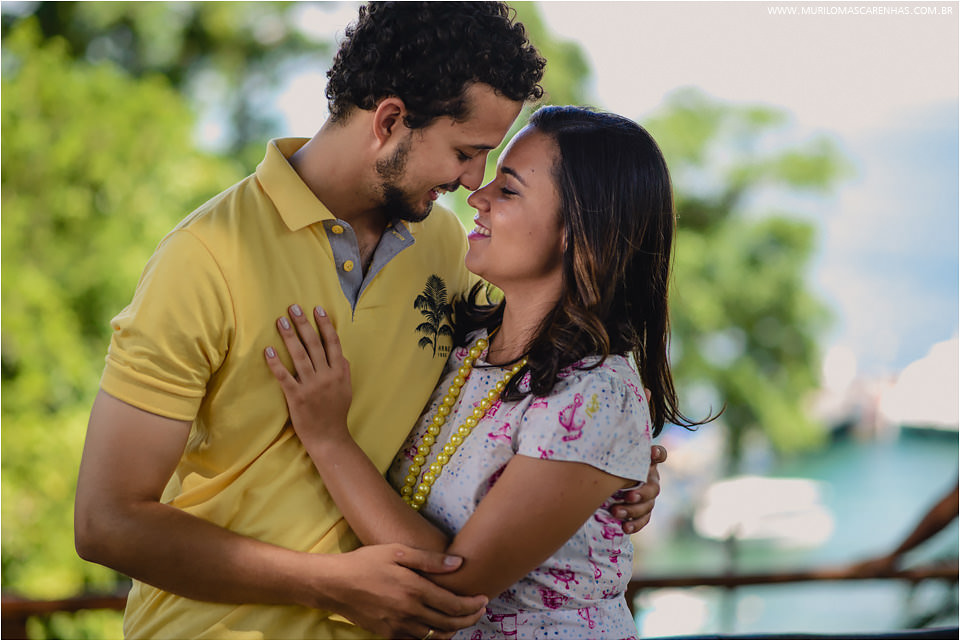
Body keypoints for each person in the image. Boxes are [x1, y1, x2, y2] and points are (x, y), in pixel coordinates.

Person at [73, 3, 664, 639]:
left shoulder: (445, 245)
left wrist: (624, 465)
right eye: (467, 153)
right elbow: (106, 522)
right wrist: (323, 581)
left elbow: (543, 364)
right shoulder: (207, 257)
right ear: (389, 121)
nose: (473, 184)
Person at [266, 105, 702, 640]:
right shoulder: (466, 345)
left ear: (577, 232)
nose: (476, 197)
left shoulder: (597, 393)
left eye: (509, 190)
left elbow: (452, 586)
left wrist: (328, 438)